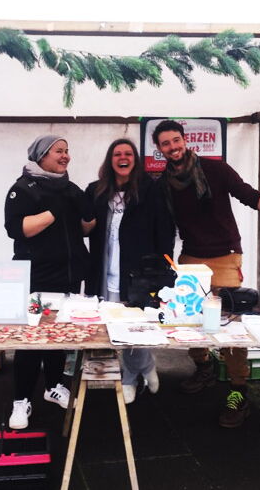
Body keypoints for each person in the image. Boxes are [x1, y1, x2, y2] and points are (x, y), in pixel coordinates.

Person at [152, 119, 260, 428]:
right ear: (160, 149)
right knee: (191, 318)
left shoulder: (215, 169)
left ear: (185, 140)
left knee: (231, 326)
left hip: (225, 255)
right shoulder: (162, 184)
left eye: (176, 140)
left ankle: (238, 391)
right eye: (166, 144)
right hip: (191, 256)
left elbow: (249, 195)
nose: (173, 147)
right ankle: (203, 368)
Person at [3, 134, 95, 430]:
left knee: (59, 338)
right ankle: (21, 400)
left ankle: (54, 386)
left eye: (67, 151)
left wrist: (89, 212)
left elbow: (84, 229)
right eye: (59, 151)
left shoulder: (70, 188)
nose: (66, 155)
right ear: (41, 155)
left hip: (68, 277)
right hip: (37, 278)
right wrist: (53, 211)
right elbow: (17, 229)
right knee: (31, 341)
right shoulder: (22, 188)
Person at [84, 139, 175, 403]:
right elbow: (85, 225)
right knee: (111, 326)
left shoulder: (151, 190)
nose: (122, 158)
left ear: (135, 159)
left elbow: (165, 230)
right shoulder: (95, 191)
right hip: (104, 271)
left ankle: (130, 377)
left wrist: (163, 267)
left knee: (135, 326)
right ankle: (144, 366)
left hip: (139, 274)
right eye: (117, 154)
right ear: (110, 160)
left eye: (128, 153)